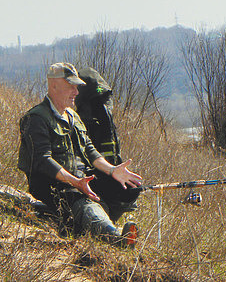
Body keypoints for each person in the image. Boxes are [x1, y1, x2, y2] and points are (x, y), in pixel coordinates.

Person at [18, 62, 142, 247]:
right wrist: (75, 182)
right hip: (52, 185)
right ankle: (116, 238)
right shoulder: (36, 118)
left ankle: (91, 223)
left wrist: (113, 170)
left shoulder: (73, 116)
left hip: (80, 179)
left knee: (128, 188)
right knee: (81, 199)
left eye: (77, 87)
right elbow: (43, 161)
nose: (76, 92)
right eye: (71, 86)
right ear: (54, 86)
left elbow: (90, 150)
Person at [75, 67, 140, 222]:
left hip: (108, 172)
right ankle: (105, 221)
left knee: (133, 188)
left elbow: (111, 153)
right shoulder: (77, 122)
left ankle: (109, 219)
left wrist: (115, 171)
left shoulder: (105, 120)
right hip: (87, 178)